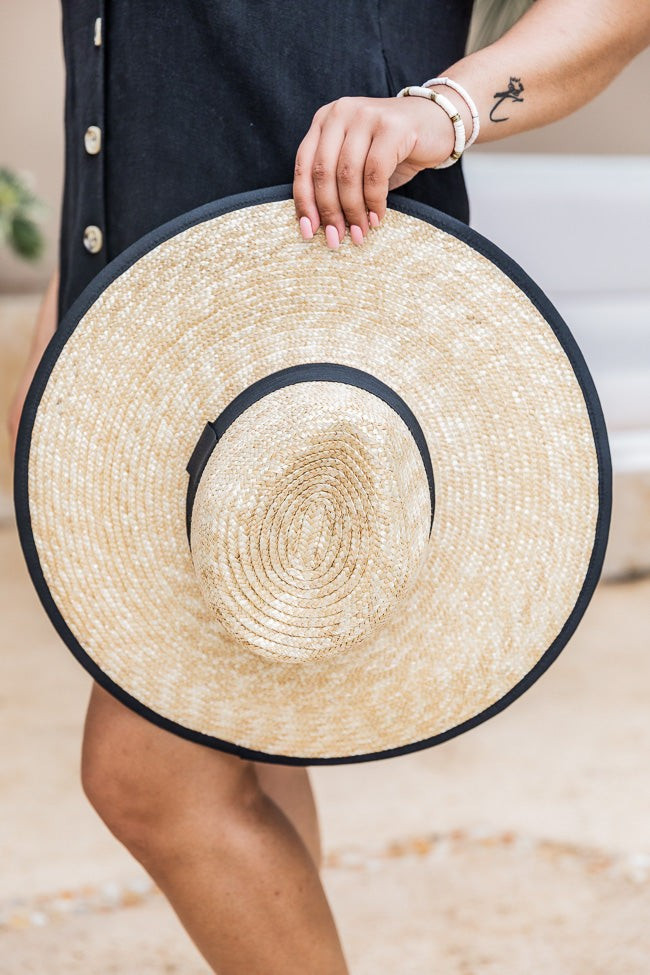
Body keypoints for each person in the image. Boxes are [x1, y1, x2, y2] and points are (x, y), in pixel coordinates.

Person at [6, 2, 649, 972]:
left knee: (145, 778)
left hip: (318, 303)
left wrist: (448, 109)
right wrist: (75, 298)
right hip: (151, 318)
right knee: (250, 740)